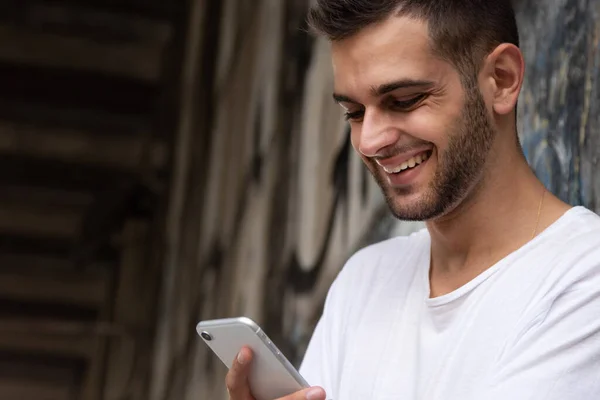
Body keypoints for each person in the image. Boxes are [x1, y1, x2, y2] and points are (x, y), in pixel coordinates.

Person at [225, 1, 600, 399]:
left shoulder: (583, 277)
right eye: (352, 112)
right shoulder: (363, 281)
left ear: (502, 80)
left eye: (403, 100)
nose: (369, 141)